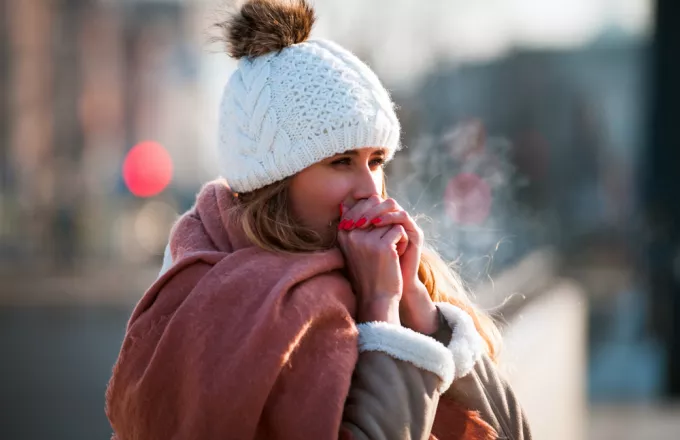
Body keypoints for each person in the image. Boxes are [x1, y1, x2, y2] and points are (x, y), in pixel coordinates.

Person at [105, 1, 532, 439]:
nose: (369, 188)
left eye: (377, 160)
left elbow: (515, 433)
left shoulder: (395, 274)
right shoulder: (219, 300)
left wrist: (421, 311)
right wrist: (381, 314)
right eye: (342, 161)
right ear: (275, 183)